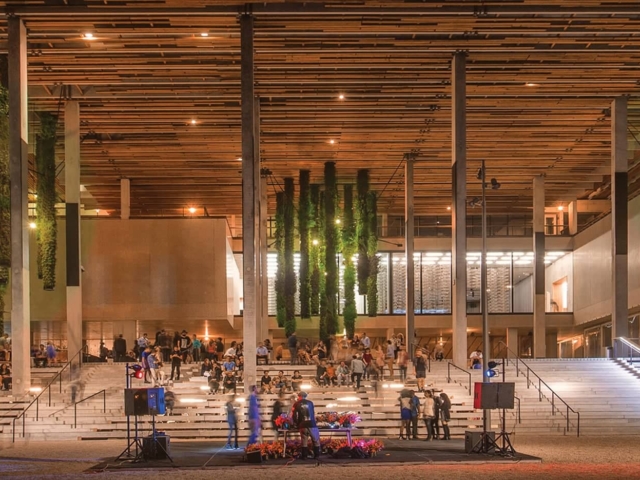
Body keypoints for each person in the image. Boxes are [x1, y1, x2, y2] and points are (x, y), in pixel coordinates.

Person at [292, 391, 320, 460]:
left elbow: (294, 415)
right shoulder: (311, 403)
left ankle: (304, 456)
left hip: (302, 424)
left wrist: (296, 423)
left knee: (304, 441)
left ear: (299, 396)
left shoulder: (296, 404)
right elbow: (313, 413)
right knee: (315, 440)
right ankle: (317, 455)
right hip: (312, 424)